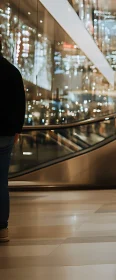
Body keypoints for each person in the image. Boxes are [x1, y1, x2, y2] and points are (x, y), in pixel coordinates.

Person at [0, 38, 26, 243]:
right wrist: (16, 129)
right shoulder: (12, 72)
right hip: (5, 134)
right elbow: (20, 104)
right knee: (1, 181)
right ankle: (2, 228)